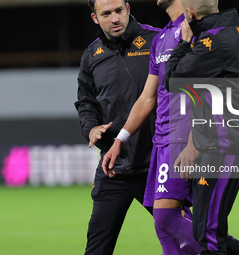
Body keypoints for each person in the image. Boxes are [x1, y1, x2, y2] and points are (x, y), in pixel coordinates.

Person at [103, 0, 239, 254]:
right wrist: (121, 139)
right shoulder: (161, 38)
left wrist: (196, 140)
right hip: (162, 140)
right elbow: (148, 97)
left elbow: (208, 89)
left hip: (185, 138)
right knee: (167, 227)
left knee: (169, 219)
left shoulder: (196, 30)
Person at [163, 0, 239, 254]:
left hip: (222, 147)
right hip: (229, 142)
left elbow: (172, 80)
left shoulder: (211, 43)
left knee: (208, 236)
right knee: (207, 230)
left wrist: (185, 42)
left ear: (190, 13)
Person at [74, 0, 160, 254]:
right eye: (106, 14)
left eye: (118, 11)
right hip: (114, 168)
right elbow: (86, 102)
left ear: (128, 9)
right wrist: (90, 129)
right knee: (96, 248)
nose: (114, 18)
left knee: (193, 236)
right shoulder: (91, 56)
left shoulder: (157, 41)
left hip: (156, 167)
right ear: (95, 18)